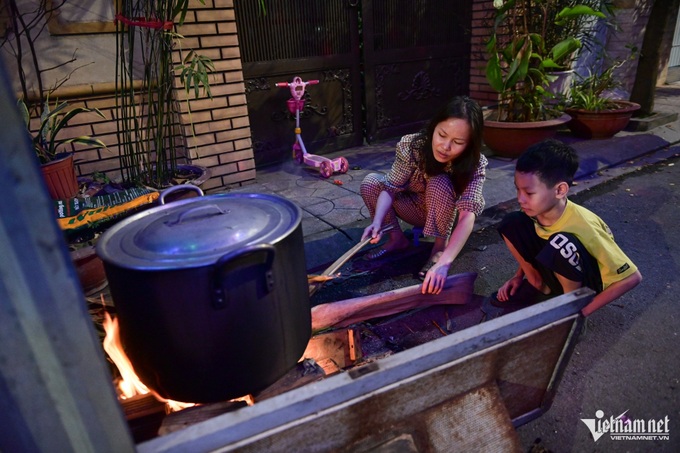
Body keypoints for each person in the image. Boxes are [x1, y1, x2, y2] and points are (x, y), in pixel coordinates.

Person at [492, 139, 642, 317]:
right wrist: (518, 276)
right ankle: (538, 284)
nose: (520, 199)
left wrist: (580, 313)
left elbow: (632, 278)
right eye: (518, 190)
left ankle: (570, 306)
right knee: (512, 222)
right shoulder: (536, 210)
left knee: (561, 244)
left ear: (560, 190)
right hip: (555, 270)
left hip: (585, 285)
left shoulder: (585, 225)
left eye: (529, 193)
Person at [360, 96, 487, 295]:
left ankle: (439, 249)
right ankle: (396, 238)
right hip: (413, 207)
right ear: (433, 128)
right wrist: (376, 222)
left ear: (470, 144)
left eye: (458, 142)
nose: (445, 146)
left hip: (444, 217)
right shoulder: (412, 146)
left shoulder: (475, 164)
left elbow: (467, 215)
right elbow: (390, 187)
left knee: (439, 180)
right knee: (371, 182)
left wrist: (446, 263)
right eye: (442, 135)